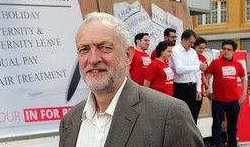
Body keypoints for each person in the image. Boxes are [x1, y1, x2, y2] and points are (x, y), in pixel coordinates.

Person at [59, 12, 205, 147]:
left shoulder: (170, 114)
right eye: (84, 49)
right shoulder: (69, 121)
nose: (93, 59)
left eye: (104, 47)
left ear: (127, 56)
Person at [205, 40, 247, 147]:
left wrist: (243, 95)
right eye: (224, 49)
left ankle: (232, 144)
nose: (226, 51)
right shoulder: (215, 62)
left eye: (229, 49)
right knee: (216, 125)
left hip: (233, 101)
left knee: (232, 126)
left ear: (234, 51)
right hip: (218, 100)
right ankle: (215, 144)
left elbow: (244, 79)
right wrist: (208, 89)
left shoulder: (237, 64)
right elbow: (207, 76)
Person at [168, 29, 207, 124]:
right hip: (180, 88)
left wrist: (198, 89)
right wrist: (198, 66)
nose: (192, 45)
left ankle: (192, 138)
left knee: (193, 117)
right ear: (183, 39)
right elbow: (179, 70)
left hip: (192, 87)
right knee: (180, 117)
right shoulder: (175, 51)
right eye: (191, 42)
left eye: (193, 43)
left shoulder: (193, 52)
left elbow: (197, 72)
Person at [193, 37, 209, 115]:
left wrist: (207, 87)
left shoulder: (203, 58)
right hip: (190, 88)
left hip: (200, 91)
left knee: (196, 113)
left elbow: (202, 75)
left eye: (203, 48)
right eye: (200, 48)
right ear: (194, 46)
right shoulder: (190, 56)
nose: (202, 50)